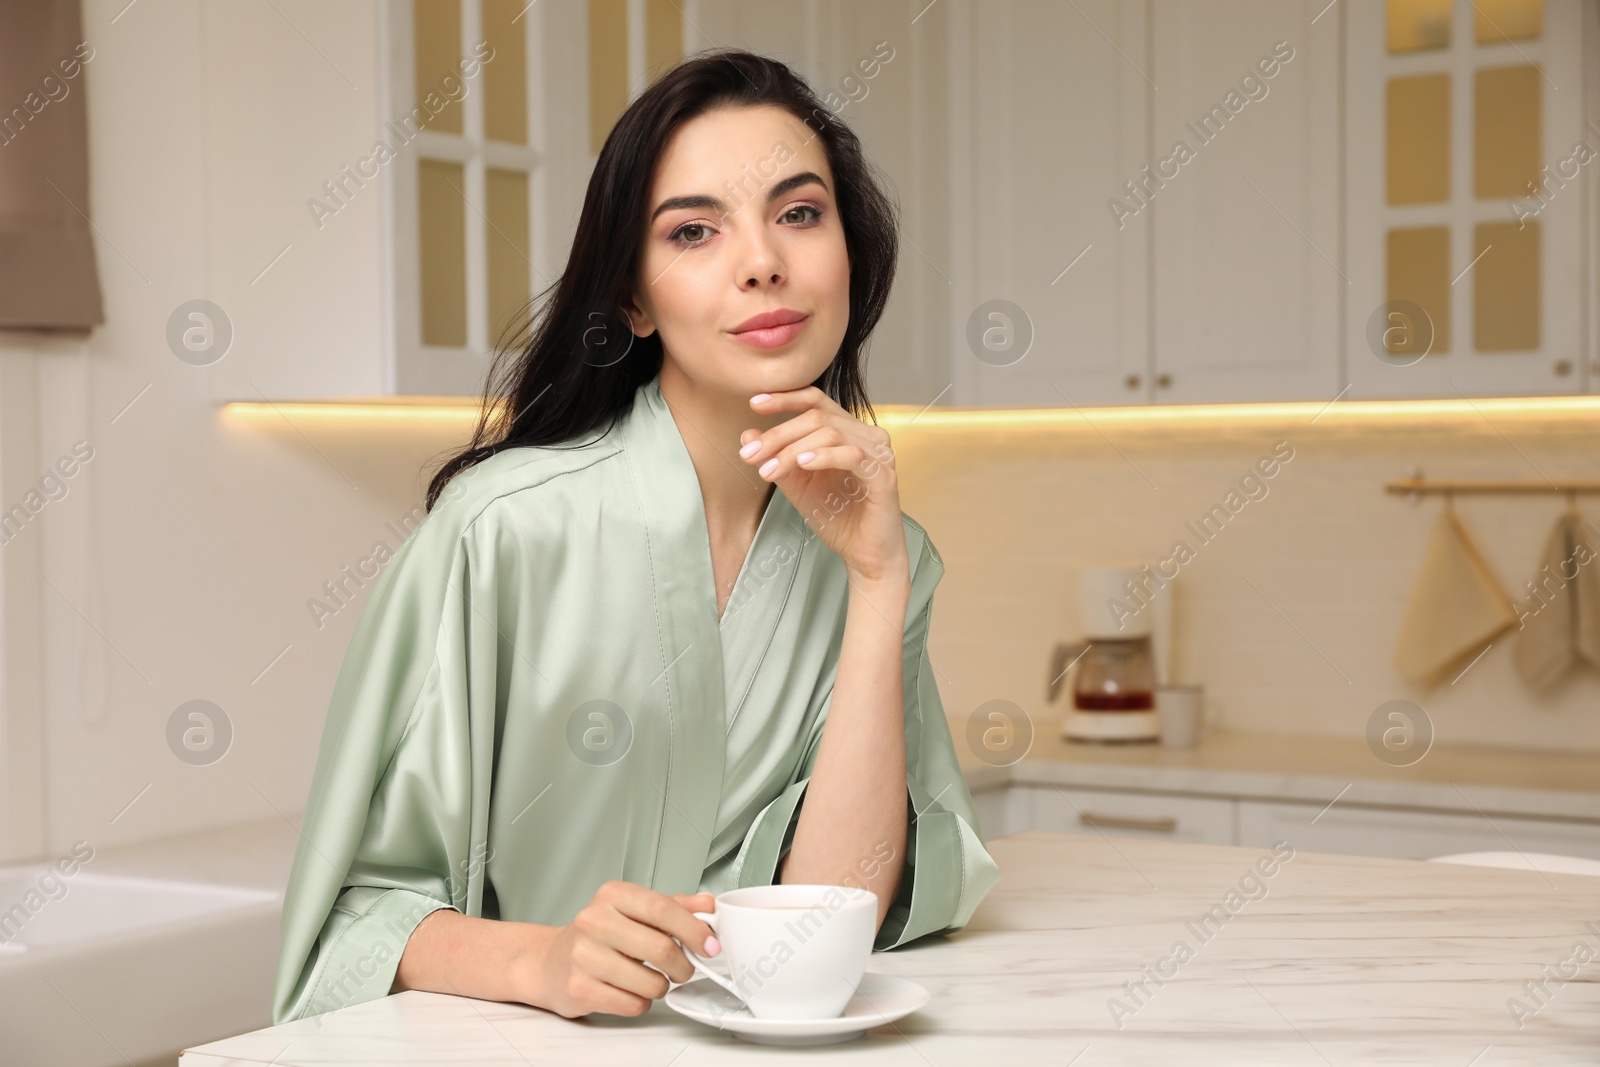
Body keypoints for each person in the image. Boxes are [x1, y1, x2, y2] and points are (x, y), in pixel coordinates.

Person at [271, 47, 1000, 1026]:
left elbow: (833, 917)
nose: (762, 261)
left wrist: (877, 580)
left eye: (798, 212)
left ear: (849, 253)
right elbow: (354, 920)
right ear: (631, 298)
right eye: (694, 230)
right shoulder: (501, 530)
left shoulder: (875, 546)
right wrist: (544, 959)